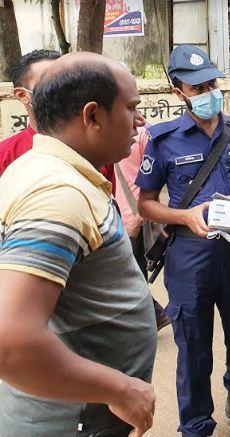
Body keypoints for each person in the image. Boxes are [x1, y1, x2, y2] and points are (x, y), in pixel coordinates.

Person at [0, 51, 157, 436]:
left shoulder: (49, 171)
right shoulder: (58, 195)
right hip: (74, 421)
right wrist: (120, 390)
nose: (140, 120)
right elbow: (10, 343)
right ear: (92, 116)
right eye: (131, 108)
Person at [136, 45, 230, 437]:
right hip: (189, 255)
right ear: (178, 91)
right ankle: (196, 424)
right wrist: (184, 216)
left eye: (211, 84)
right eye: (197, 88)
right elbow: (146, 203)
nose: (207, 92)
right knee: (194, 344)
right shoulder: (163, 140)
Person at [0, 49, 118, 186]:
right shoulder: (5, 155)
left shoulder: (96, 147)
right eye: (48, 83)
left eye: (67, 82)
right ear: (22, 95)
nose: (61, 89)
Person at [114, 125, 172, 331]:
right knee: (127, 278)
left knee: (131, 279)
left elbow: (158, 179)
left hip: (134, 222)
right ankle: (155, 315)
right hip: (114, 220)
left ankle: (152, 319)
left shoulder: (143, 135)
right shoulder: (104, 131)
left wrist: (138, 220)